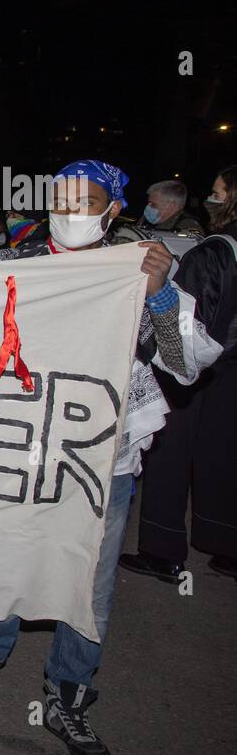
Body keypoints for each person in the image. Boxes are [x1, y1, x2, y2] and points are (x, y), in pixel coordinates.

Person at [0, 159, 221, 755]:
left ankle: (68, 691)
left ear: (112, 210)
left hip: (103, 461)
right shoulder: (16, 263)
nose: (70, 210)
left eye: (86, 200)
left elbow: (185, 363)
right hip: (20, 450)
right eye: (60, 198)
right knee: (8, 556)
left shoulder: (142, 269)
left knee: (90, 583)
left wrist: (162, 297)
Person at [121, 164, 237, 583]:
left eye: (218, 191)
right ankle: (227, 545)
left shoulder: (213, 251)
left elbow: (189, 328)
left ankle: (162, 549)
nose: (210, 197)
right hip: (230, 375)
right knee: (224, 459)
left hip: (203, 372)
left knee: (168, 458)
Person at [135, 179, 203, 236]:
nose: (147, 207)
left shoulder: (187, 227)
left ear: (170, 206)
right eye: (148, 203)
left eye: (153, 204)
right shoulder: (146, 221)